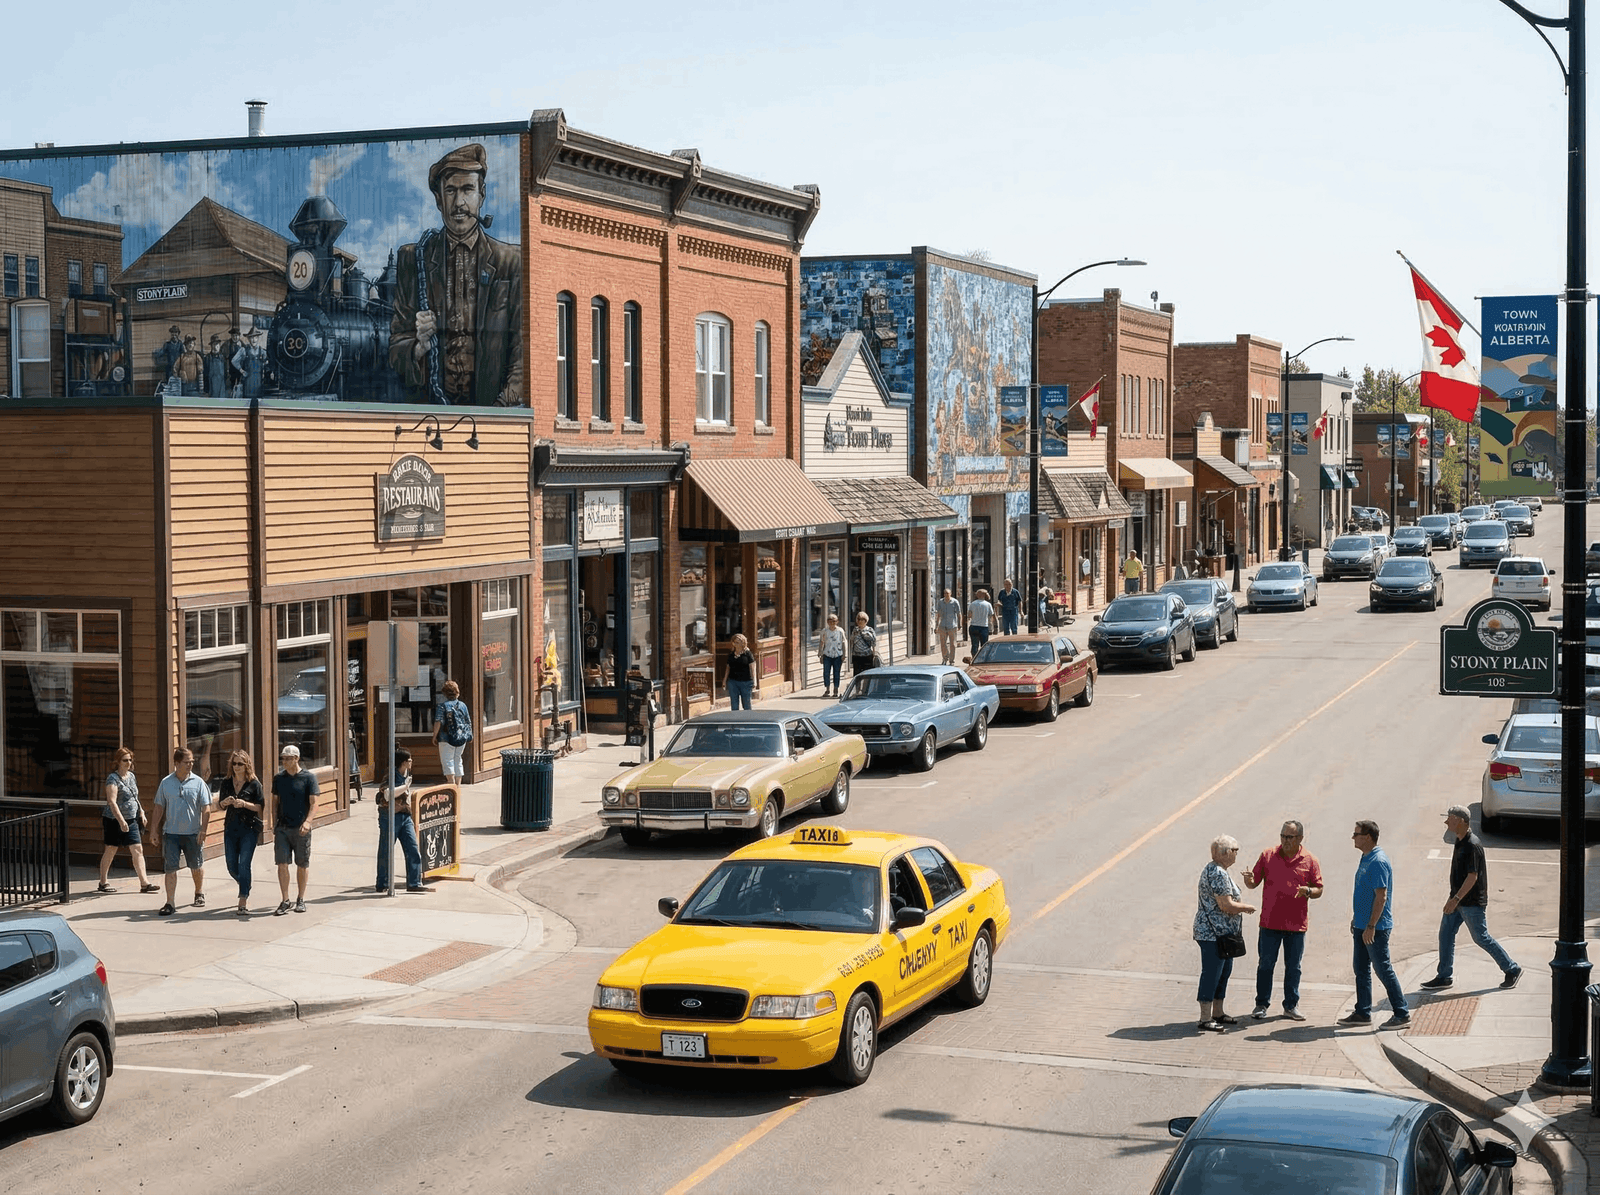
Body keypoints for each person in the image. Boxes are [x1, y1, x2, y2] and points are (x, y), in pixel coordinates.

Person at [389, 142, 525, 405]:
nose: (459, 202)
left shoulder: (511, 262)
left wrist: (497, 415)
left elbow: (522, 354)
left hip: (492, 417)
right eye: (450, 191)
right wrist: (418, 347)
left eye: (467, 190)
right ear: (439, 200)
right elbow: (395, 348)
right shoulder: (412, 259)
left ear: (481, 195)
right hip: (430, 417)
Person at [1421, 806, 1522, 991]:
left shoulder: (1472, 845)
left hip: (1471, 903)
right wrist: (1454, 898)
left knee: (1481, 938)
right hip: (1458, 900)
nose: (1446, 822)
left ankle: (1512, 969)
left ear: (1461, 821)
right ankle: (1444, 976)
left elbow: (1472, 877)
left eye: (1450, 818)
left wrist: (1455, 899)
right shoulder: (1460, 840)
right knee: (1445, 934)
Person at [1242, 819, 1324, 1021]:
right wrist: (1248, 880)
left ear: (1300, 838)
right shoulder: (1268, 855)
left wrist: (1308, 891)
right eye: (1283, 836)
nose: (1285, 840)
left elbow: (1319, 889)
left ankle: (1291, 1006)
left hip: (1296, 925)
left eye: (1290, 837)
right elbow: (1254, 882)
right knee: (1265, 965)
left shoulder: (1310, 860)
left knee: (1293, 967)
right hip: (1270, 923)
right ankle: (1261, 1004)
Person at [1338, 820, 1411, 1029]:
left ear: (1368, 837)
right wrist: (1358, 918)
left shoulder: (1378, 861)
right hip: (1362, 925)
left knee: (1383, 970)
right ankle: (1363, 1012)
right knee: (1361, 969)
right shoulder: (1366, 857)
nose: (1353, 837)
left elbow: (1381, 896)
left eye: (1356, 834)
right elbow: (1365, 892)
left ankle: (1401, 1013)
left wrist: (1370, 926)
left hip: (1375, 928)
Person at [1193, 834, 1256, 1032]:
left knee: (1224, 972)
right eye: (1235, 850)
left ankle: (1218, 1012)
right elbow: (1225, 904)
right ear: (1226, 852)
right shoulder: (1217, 873)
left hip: (1223, 934)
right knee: (1212, 973)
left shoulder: (1219, 870)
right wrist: (1246, 907)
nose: (1236, 854)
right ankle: (1205, 1017)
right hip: (1213, 933)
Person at [152, 747, 213, 916]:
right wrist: (154, 830)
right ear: (177, 763)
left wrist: (203, 830)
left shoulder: (198, 782)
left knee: (196, 865)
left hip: (193, 833)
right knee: (170, 868)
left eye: (192, 761)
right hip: (171, 833)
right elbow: (159, 807)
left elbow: (206, 808)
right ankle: (170, 902)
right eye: (187, 762)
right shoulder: (166, 783)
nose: (190, 765)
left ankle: (199, 892)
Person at [98, 746, 158, 895]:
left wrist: (141, 811)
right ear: (118, 761)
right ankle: (103, 882)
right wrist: (121, 821)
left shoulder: (131, 776)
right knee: (111, 849)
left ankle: (144, 883)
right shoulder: (112, 779)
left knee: (137, 849)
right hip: (114, 820)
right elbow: (112, 802)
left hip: (131, 819)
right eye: (125, 760)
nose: (129, 763)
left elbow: (134, 796)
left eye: (130, 760)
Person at [217, 749, 265, 918]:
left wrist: (244, 804)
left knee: (244, 863)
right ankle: (245, 883)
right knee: (231, 865)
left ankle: (243, 900)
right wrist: (225, 802)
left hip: (249, 828)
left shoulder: (254, 784)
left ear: (246, 765)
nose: (236, 767)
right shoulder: (226, 783)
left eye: (240, 764)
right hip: (231, 827)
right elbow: (219, 806)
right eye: (234, 763)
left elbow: (260, 807)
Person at [272, 744, 318, 916]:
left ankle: (301, 898)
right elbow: (274, 802)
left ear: (297, 759)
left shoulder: (308, 778)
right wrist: (274, 823)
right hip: (282, 828)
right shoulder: (279, 778)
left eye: (288, 758)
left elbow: (314, 803)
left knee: (302, 864)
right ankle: (285, 900)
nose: (284, 761)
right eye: (283, 758)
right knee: (282, 863)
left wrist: (308, 822)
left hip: (301, 828)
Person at [376, 748, 430, 894]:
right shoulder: (390, 775)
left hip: (405, 815)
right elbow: (387, 794)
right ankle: (383, 882)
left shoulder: (406, 774)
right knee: (386, 850)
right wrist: (405, 787)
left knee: (413, 848)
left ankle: (414, 882)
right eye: (410, 760)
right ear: (404, 762)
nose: (412, 762)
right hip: (390, 816)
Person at [431, 679, 472, 782]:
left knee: (447, 761)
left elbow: (438, 722)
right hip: (461, 737)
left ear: (444, 693)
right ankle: (457, 786)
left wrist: (434, 736)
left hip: (446, 738)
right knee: (458, 760)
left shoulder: (442, 706)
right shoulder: (463, 705)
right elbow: (468, 721)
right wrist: (469, 735)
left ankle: (451, 784)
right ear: (457, 692)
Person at [725, 633, 755, 709]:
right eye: (734, 642)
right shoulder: (731, 654)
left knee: (746, 704)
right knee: (734, 704)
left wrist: (755, 681)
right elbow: (728, 668)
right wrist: (724, 680)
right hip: (733, 682)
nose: (735, 644)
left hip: (746, 682)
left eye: (738, 642)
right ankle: (735, 717)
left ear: (743, 643)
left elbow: (752, 667)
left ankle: (748, 716)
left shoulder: (747, 654)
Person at [819, 613, 846, 697]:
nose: (832, 623)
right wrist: (820, 654)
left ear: (837, 622)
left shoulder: (840, 631)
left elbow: (844, 642)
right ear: (827, 622)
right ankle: (827, 689)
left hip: (838, 654)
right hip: (827, 654)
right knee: (826, 672)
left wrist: (844, 654)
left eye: (834, 621)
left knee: (836, 673)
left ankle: (836, 689)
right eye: (830, 621)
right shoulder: (824, 631)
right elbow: (821, 642)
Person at [935, 588, 962, 665]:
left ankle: (951, 660)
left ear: (951, 594)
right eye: (945, 593)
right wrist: (937, 626)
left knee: (952, 644)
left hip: (952, 626)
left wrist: (959, 624)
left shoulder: (955, 602)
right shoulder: (940, 602)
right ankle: (945, 658)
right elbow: (938, 614)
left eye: (948, 593)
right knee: (943, 644)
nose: (946, 595)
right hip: (943, 625)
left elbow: (959, 614)